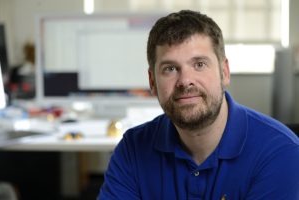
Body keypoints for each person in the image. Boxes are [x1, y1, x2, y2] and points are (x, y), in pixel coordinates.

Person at [98, 10, 299, 199]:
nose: (185, 81)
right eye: (170, 68)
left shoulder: (280, 152)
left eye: (199, 64)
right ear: (152, 82)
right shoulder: (132, 149)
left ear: (224, 72)